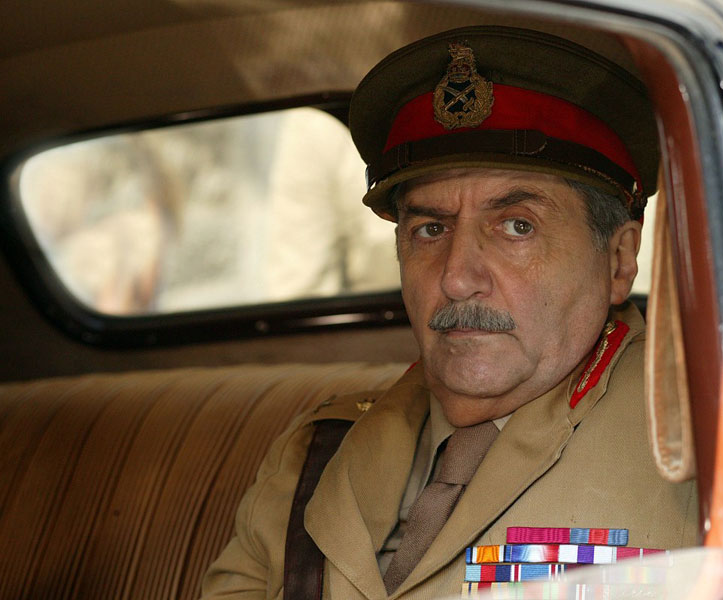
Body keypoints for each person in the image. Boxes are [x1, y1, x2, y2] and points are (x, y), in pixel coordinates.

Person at [201, 25, 697, 600]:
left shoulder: (708, 441)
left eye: (517, 226)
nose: (457, 278)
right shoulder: (317, 451)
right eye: (431, 230)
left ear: (618, 259)